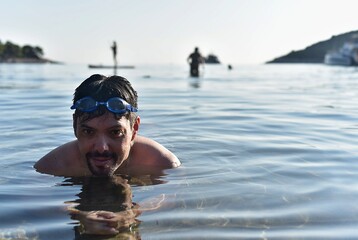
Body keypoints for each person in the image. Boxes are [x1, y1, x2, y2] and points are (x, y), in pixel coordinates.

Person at [34, 74, 181, 177]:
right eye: (88, 132)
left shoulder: (161, 163)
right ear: (74, 127)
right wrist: (76, 213)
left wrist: (132, 213)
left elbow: (170, 199)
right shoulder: (50, 167)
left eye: (115, 132)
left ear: (134, 129)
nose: (101, 148)